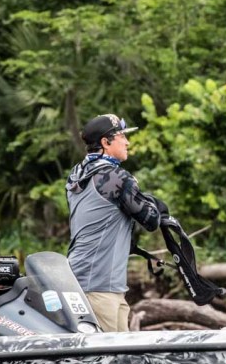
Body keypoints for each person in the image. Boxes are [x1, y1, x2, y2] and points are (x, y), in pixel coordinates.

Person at [66, 114, 165, 332]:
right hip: (99, 288)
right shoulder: (115, 177)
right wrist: (153, 202)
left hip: (84, 280)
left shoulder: (77, 174)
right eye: (122, 137)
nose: (127, 142)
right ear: (105, 142)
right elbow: (151, 220)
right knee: (109, 352)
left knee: (121, 351)